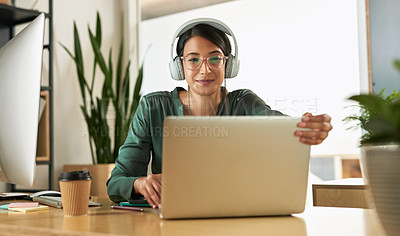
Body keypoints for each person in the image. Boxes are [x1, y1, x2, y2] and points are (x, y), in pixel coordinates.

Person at [106, 18, 333, 209]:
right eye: (193, 60)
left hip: (237, 214)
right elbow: (116, 182)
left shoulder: (243, 102)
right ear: (179, 66)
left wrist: (307, 127)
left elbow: (279, 125)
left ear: (229, 64)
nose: (205, 69)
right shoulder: (153, 106)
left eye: (215, 58)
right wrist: (140, 184)